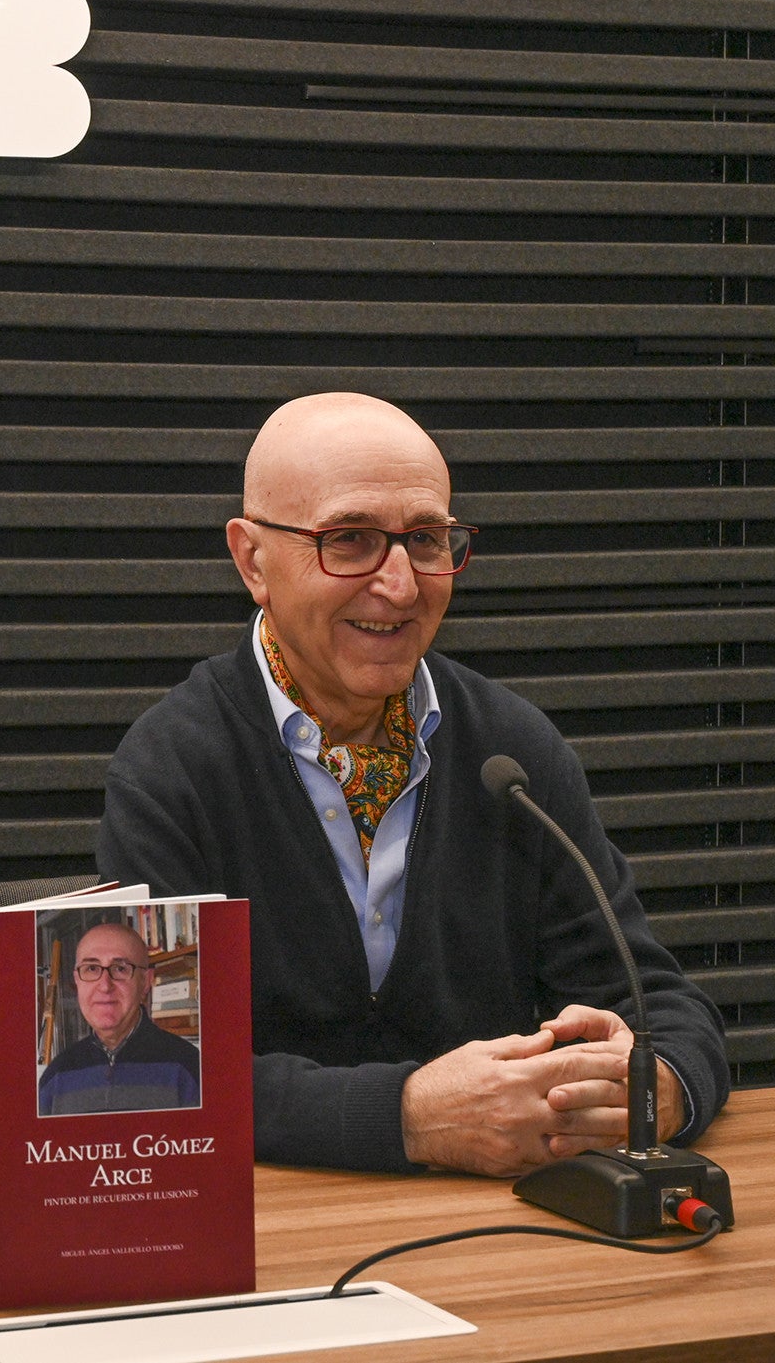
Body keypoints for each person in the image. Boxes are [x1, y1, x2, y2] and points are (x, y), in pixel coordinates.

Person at [96, 392, 728, 1177]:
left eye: (426, 539)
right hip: (268, 1236)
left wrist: (653, 1086)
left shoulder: (513, 754)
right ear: (252, 560)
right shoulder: (175, 768)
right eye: (351, 539)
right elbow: (146, 1069)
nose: (400, 585)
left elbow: (661, 1005)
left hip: (498, 1238)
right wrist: (408, 1117)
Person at [38, 921, 201, 1116]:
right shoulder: (56, 1076)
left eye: (120, 969)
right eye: (91, 968)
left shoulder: (190, 1069)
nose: (105, 986)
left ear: (146, 981)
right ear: (77, 981)